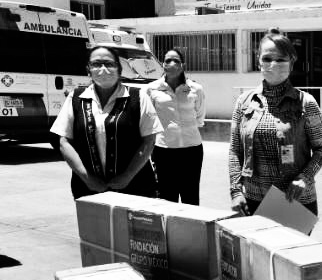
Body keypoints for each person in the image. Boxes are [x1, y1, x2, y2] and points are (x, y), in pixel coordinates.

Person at [228, 29, 322, 216]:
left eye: (281, 59)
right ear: (258, 60)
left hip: (294, 201)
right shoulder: (244, 102)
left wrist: (305, 178)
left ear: (292, 62)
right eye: (267, 58)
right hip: (253, 200)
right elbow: (235, 150)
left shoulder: (306, 103)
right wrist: (235, 191)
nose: (273, 64)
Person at [51, 46, 162, 199]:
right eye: (96, 64)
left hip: (135, 186)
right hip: (87, 188)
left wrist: (127, 176)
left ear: (119, 69)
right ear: (88, 70)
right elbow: (64, 142)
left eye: (109, 64)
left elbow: (149, 141)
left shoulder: (138, 97)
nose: (103, 69)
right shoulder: (76, 98)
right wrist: (87, 178)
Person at [147, 48, 206, 204]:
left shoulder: (196, 89)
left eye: (176, 61)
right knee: (167, 197)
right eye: (168, 60)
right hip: (163, 151)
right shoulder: (151, 89)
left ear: (183, 65)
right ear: (162, 64)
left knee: (191, 197)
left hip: (192, 150)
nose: (172, 64)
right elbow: (149, 120)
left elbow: (199, 117)